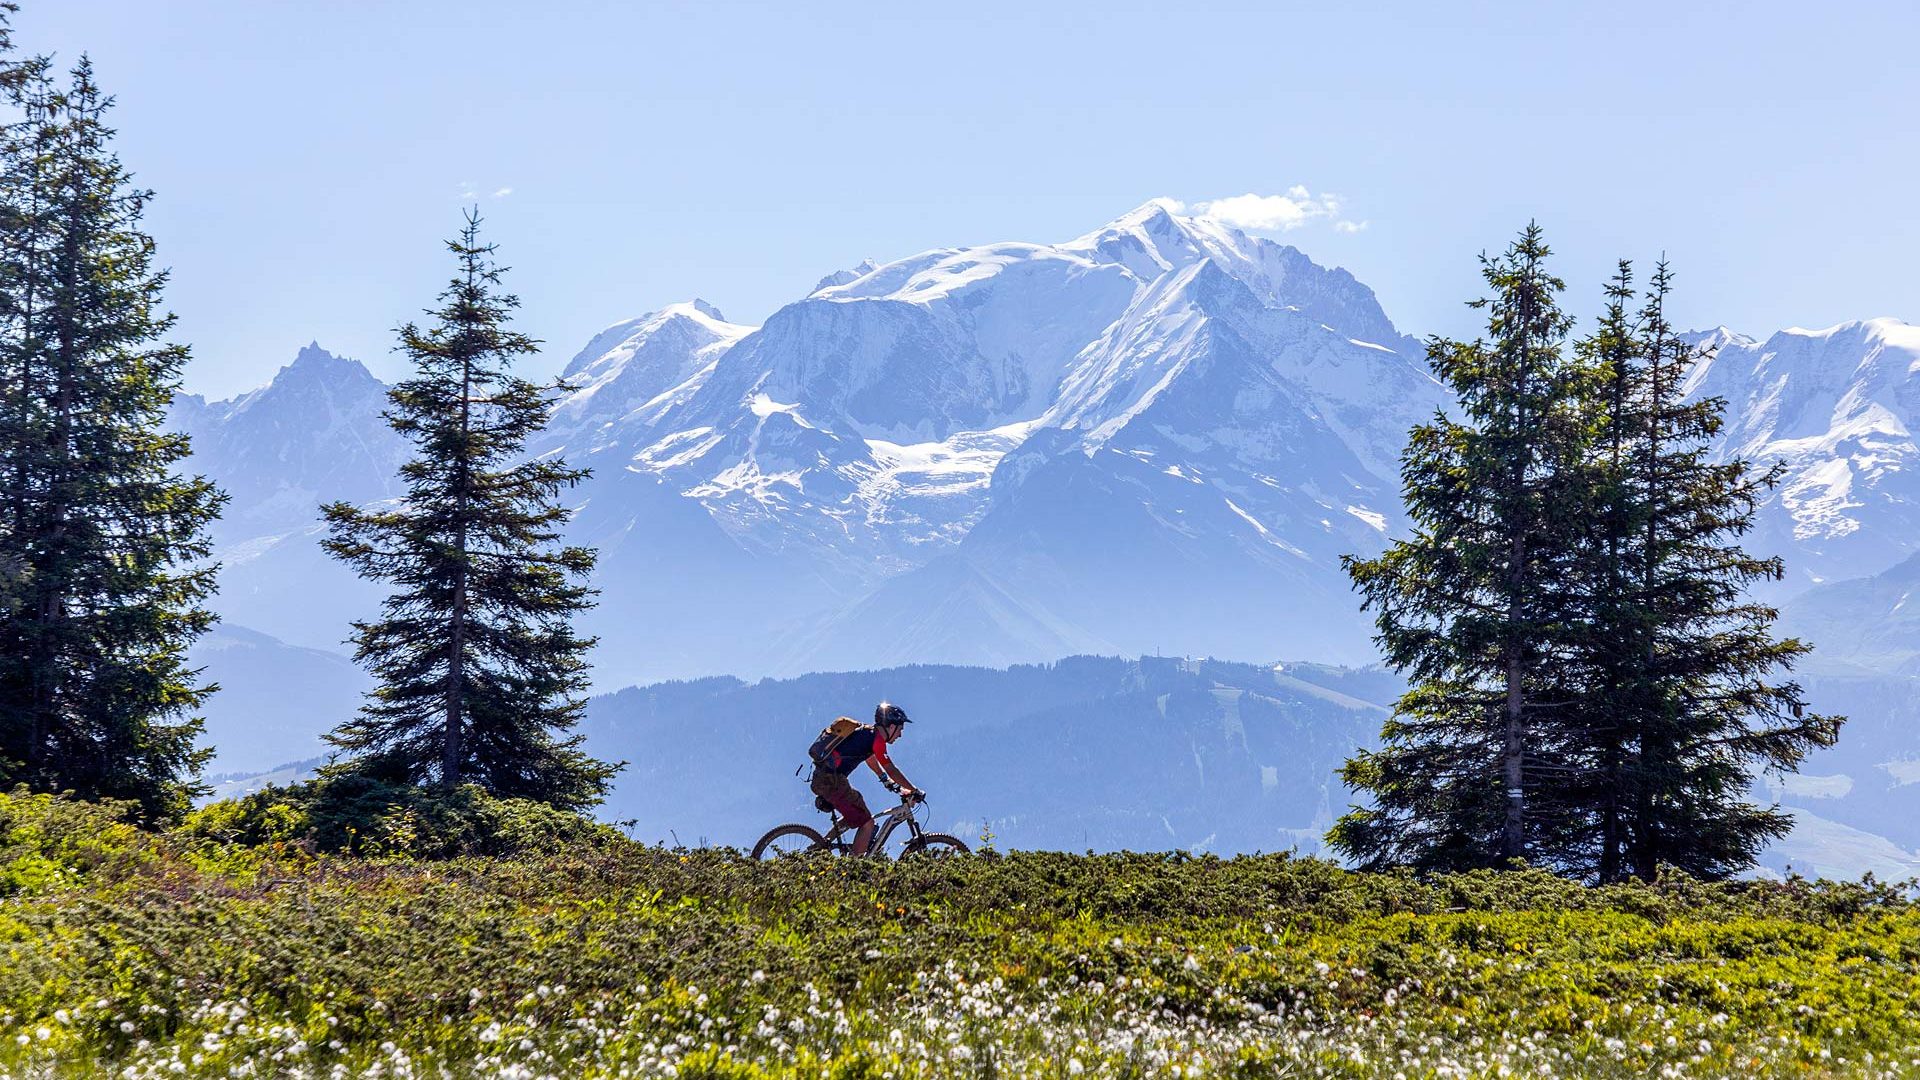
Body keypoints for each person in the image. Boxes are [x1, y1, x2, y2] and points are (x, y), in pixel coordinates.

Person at [810, 701, 918, 855]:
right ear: (892, 726)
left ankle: (821, 846)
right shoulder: (877, 740)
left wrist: (884, 779)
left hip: (823, 777)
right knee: (867, 823)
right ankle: (855, 869)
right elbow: (891, 769)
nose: (900, 734)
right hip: (832, 781)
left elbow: (870, 759)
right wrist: (913, 790)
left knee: (857, 808)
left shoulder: (867, 733)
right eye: (900, 729)